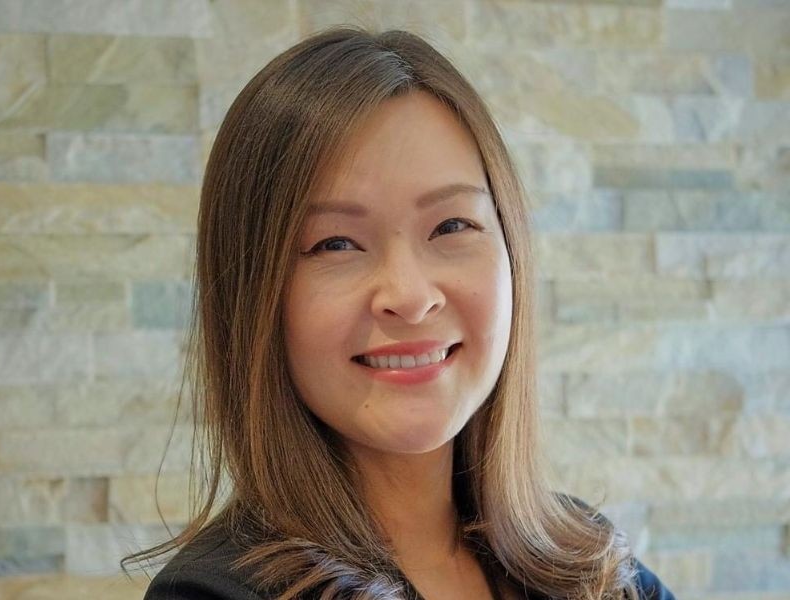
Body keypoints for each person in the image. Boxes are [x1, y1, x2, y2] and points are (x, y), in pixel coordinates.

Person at [124, 26, 676, 600]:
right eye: (335, 243)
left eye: (452, 225)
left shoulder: (596, 571)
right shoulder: (214, 594)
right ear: (255, 296)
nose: (411, 297)